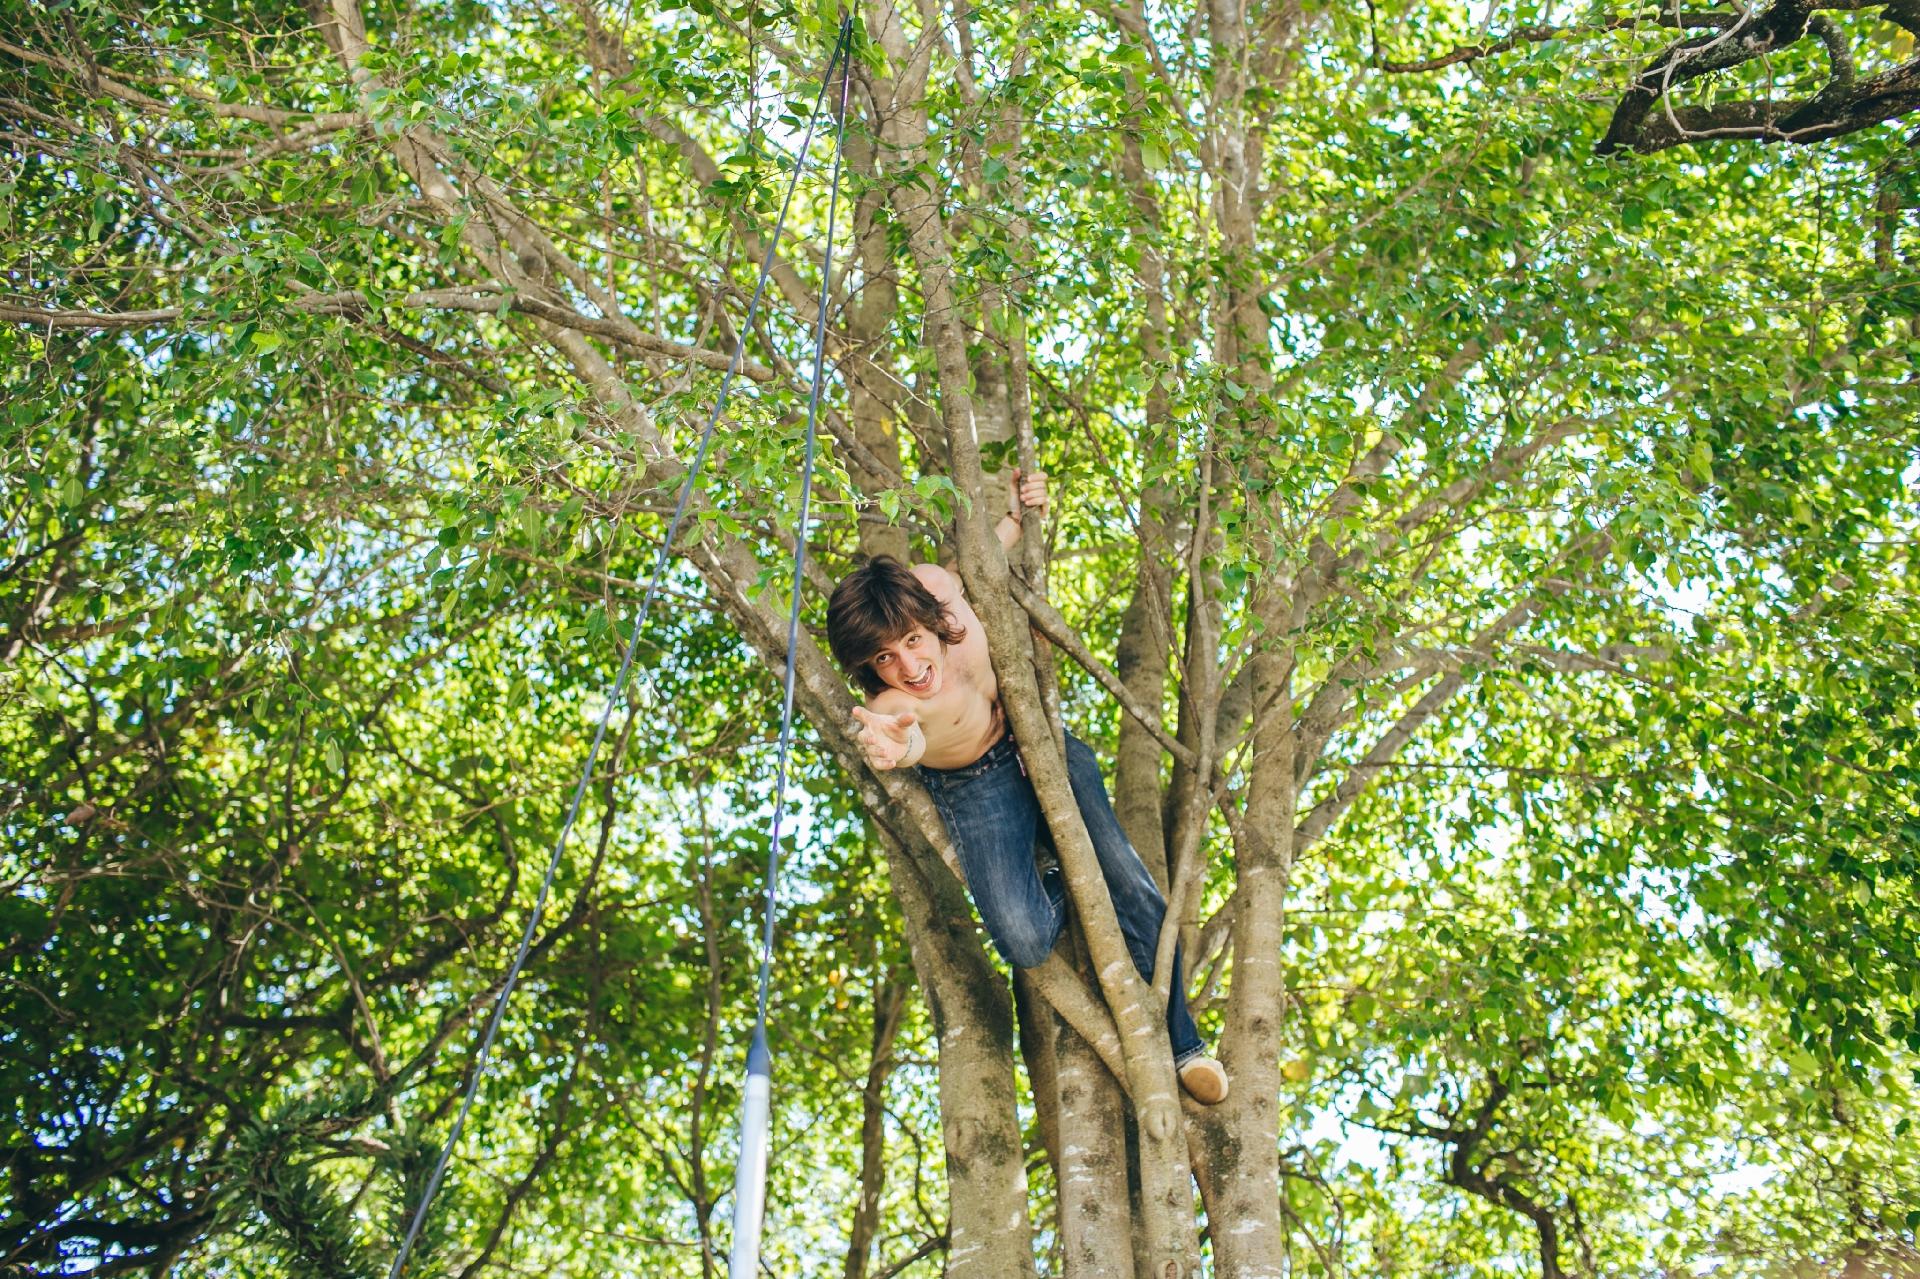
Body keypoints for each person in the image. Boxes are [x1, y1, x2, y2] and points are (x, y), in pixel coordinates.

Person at [825, 470, 1230, 1104]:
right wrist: (896, 749)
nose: (909, 666)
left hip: (1037, 740)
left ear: (929, 616)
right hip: (974, 786)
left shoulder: (937, 586)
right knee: (1024, 938)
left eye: (911, 641)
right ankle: (1059, 873)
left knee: (1132, 886)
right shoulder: (894, 703)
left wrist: (1016, 518)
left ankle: (1186, 1046)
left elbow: (972, 565)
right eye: (884, 659)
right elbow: (903, 737)